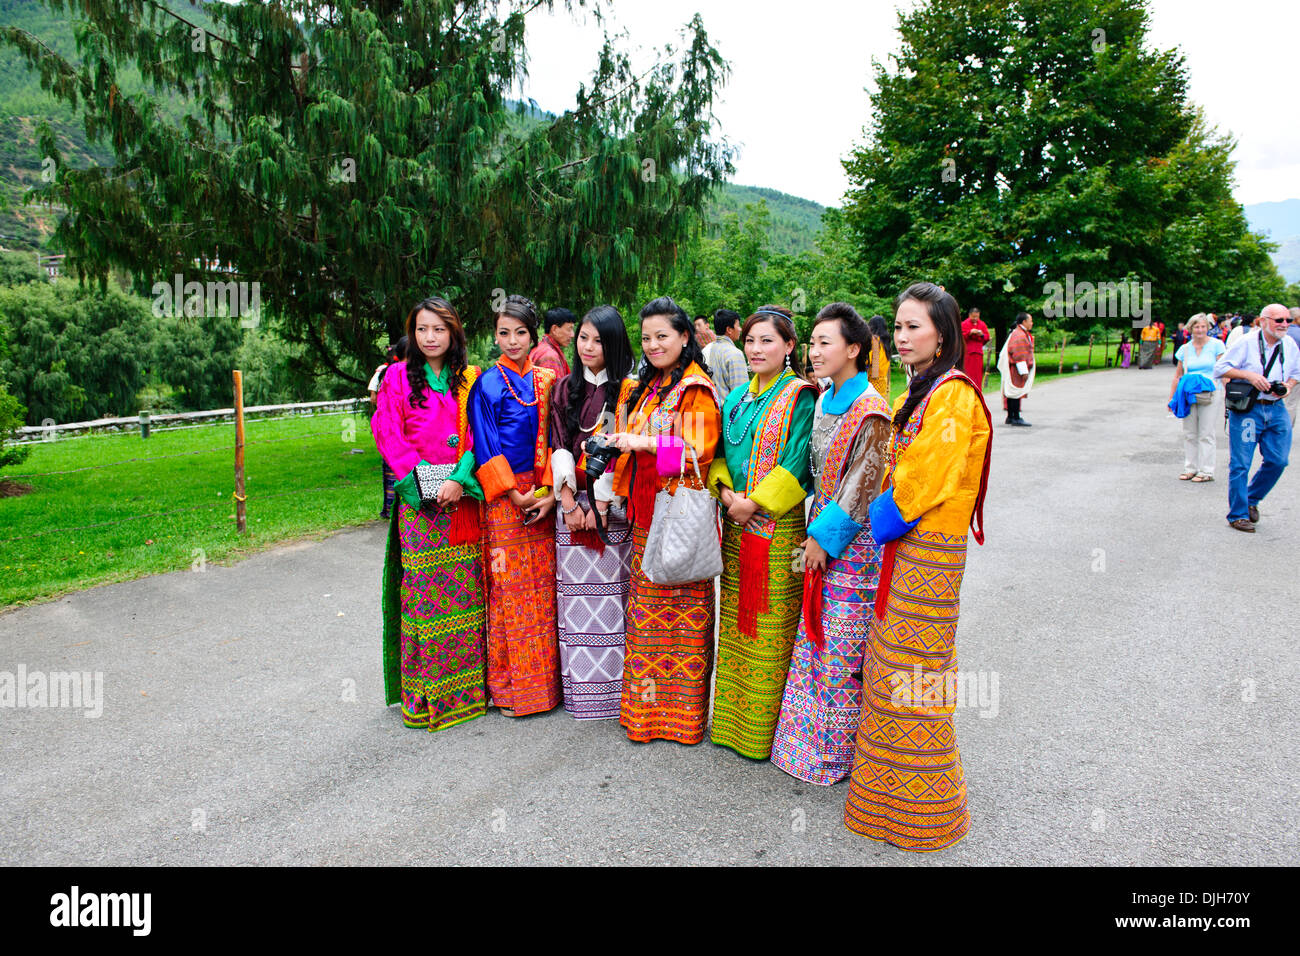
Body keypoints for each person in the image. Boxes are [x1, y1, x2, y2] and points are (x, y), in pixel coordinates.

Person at [844, 281, 992, 852]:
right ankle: (888, 799)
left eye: (914, 327)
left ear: (944, 333)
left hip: (926, 549)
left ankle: (923, 807)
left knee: (915, 671)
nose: (902, 337)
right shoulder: (924, 389)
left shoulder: (952, 394)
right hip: (909, 546)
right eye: (898, 327)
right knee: (894, 666)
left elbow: (925, 479)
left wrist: (874, 514)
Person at [770, 303, 891, 785]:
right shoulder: (823, 398)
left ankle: (832, 757)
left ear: (854, 349)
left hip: (852, 544)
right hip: (819, 524)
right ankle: (803, 747)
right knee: (814, 636)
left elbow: (865, 485)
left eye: (826, 343)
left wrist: (823, 540)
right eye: (813, 342)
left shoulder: (873, 410)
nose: (815, 352)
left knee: (841, 643)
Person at [600, 296, 722, 744]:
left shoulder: (695, 387)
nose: (653, 345)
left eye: (663, 336)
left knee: (683, 616)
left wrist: (642, 442)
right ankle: (646, 716)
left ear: (685, 337)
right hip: (647, 510)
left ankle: (683, 721)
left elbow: (697, 454)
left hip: (677, 514)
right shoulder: (650, 385)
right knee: (647, 618)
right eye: (646, 337)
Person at [707, 306, 816, 760]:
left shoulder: (801, 396)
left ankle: (764, 732)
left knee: (770, 622)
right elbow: (715, 455)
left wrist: (756, 502)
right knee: (736, 622)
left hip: (777, 531)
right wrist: (728, 495)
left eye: (767, 341)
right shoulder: (734, 400)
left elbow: (797, 462)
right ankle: (732, 726)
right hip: (736, 527)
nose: (755, 349)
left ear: (789, 346)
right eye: (750, 340)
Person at [374, 298, 487, 732]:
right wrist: (419, 483)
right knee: (423, 596)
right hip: (419, 503)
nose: (429, 338)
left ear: (453, 332)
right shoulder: (398, 377)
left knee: (465, 595)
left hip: (461, 496)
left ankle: (468, 694)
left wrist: (459, 478)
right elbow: (387, 431)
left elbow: (481, 432)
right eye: (421, 330)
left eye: (438, 329)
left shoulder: (471, 378)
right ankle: (426, 698)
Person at [468, 294, 561, 714]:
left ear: (533, 335)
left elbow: (558, 437)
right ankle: (512, 690)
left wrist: (544, 492)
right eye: (503, 333)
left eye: (520, 332)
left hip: (541, 495)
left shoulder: (548, 380)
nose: (512, 340)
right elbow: (485, 446)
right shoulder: (485, 384)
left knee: (543, 592)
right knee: (508, 592)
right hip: (506, 499)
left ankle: (547, 689)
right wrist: (512, 492)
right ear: (494, 336)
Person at [548, 305, 637, 719]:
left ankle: (618, 694)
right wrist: (569, 504)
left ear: (615, 343)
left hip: (612, 508)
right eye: (582, 337)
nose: (587, 346)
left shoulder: (630, 390)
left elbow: (626, 451)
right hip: (572, 511)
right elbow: (559, 442)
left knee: (615, 601)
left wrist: (599, 503)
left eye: (598, 340)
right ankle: (583, 693)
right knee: (576, 603)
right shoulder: (564, 388)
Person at [1214, 303, 1300, 533]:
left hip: (1276, 407)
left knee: (1278, 461)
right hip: (1249, 410)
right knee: (1241, 463)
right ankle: (1238, 514)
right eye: (1278, 320)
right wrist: (1249, 375)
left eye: (1288, 320)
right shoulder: (1246, 342)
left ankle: (1251, 497)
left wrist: (1288, 386)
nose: (1284, 324)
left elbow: (1295, 374)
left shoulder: (1289, 344)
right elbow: (1220, 368)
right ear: (1263, 321)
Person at [1167, 313, 1226, 482]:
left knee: (1206, 433)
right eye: (1196, 327)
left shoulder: (1217, 345)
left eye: (1203, 326)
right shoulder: (1184, 349)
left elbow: (1223, 371)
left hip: (1210, 392)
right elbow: (1178, 376)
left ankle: (1206, 470)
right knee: (1189, 432)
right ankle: (1190, 467)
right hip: (1189, 394)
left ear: (1208, 328)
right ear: (1190, 329)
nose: (1200, 330)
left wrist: (1228, 392)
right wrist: (1172, 398)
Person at [370, 336, 408, 519]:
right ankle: (395, 509)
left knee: (391, 475)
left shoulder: (384, 371)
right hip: (397, 432)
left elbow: (373, 397)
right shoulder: (394, 373)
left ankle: (390, 508)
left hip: (390, 433)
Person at [998, 312, 1035, 425]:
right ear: (1024, 322)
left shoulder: (1020, 333)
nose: (1032, 323)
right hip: (1017, 368)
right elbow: (1019, 354)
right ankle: (1015, 417)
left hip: (1016, 367)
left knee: (1012, 392)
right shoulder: (1019, 335)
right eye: (1030, 321)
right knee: (1015, 392)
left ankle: (1011, 417)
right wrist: (1023, 371)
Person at [706, 308, 748, 398]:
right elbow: (741, 395)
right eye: (738, 325)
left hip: (710, 409)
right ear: (729, 330)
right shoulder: (734, 353)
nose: (740, 329)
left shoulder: (709, 349)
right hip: (728, 411)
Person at [529, 307, 576, 378]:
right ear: (554, 329)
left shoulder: (541, 347)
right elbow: (554, 388)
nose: (572, 335)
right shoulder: (550, 357)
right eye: (569, 329)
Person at [960, 307, 990, 389]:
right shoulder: (964, 324)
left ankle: (977, 392)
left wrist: (982, 335)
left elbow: (987, 337)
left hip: (978, 353)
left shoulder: (982, 324)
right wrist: (970, 332)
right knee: (968, 373)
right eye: (973, 317)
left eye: (977, 317)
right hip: (968, 354)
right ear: (969, 315)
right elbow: (960, 337)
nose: (975, 319)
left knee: (978, 375)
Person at [867, 314, 892, 399]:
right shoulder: (886, 342)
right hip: (884, 382)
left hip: (873, 381)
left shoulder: (874, 340)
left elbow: (867, 360)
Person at [1285, 307, 1300, 426]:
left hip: (1277, 372)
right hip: (1294, 374)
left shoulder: (1283, 331)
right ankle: (1285, 428)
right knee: (1291, 403)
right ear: (1296, 319)